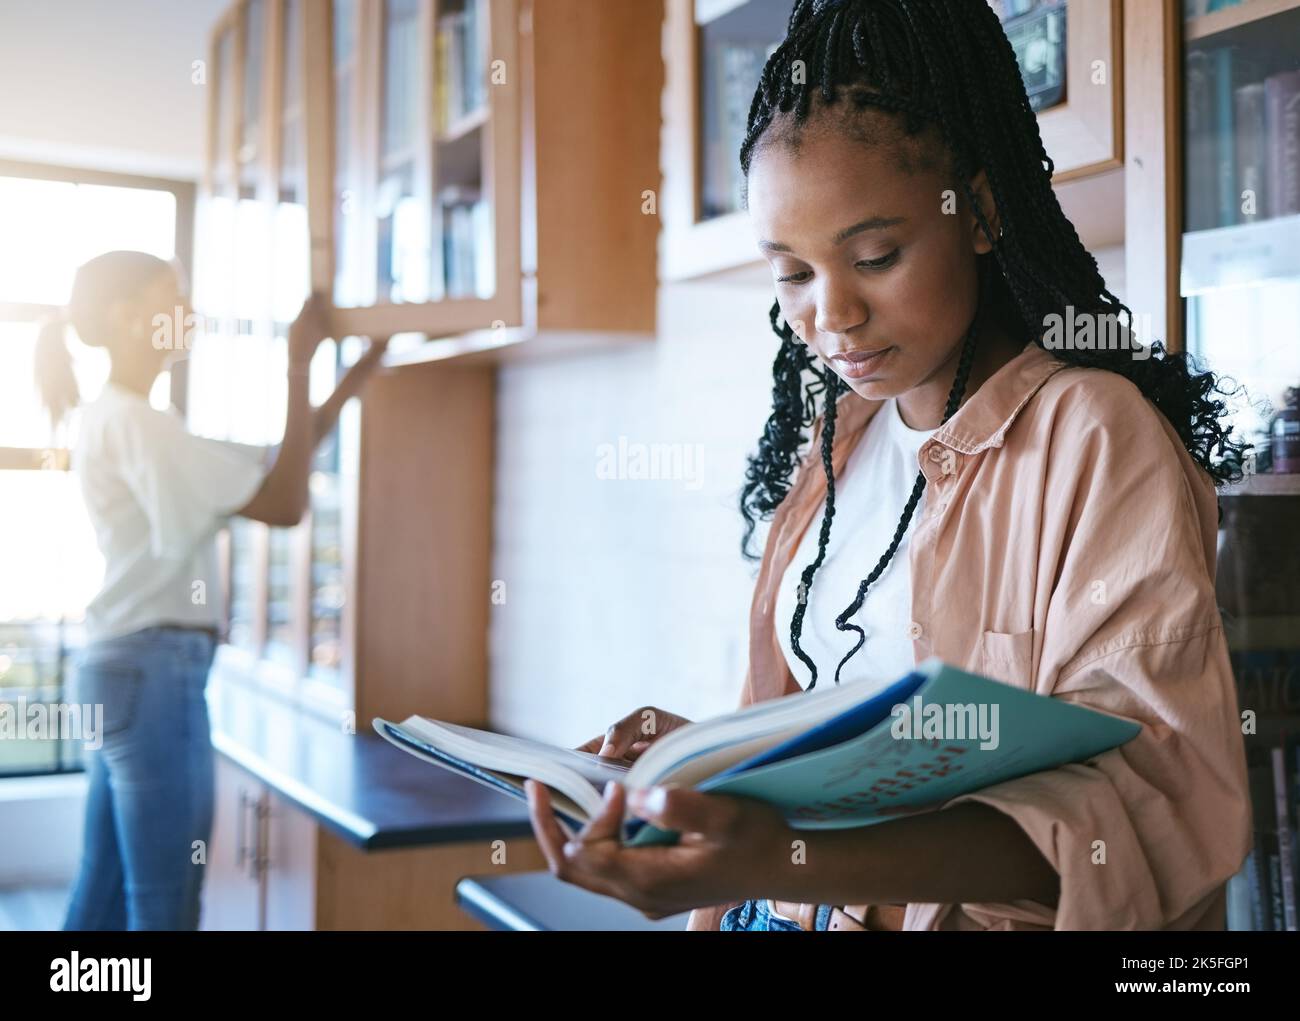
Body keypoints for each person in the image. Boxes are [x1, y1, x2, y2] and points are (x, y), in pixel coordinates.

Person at [523, 0, 1253, 931]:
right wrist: (705, 765)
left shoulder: (1092, 436)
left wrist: (788, 850)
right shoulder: (836, 445)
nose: (832, 315)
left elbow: (1147, 812)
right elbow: (839, 738)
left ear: (980, 213)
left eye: (874, 255)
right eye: (791, 272)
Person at [34, 249, 387, 930]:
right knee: (165, 905)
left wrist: (352, 376)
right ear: (127, 317)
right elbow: (284, 503)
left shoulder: (126, 418)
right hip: (153, 670)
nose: (190, 312)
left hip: (119, 663)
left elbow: (278, 460)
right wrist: (295, 364)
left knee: (105, 891)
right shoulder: (143, 426)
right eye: (175, 296)